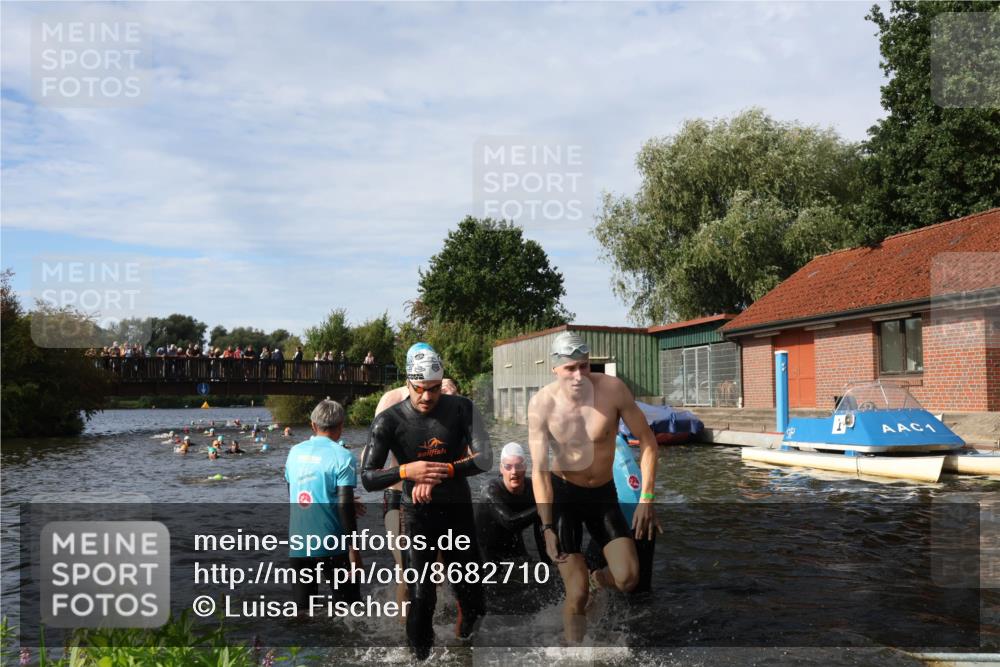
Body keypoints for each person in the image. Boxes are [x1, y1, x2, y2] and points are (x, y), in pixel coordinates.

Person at [528, 331, 660, 644]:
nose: (579, 375)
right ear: (555, 369)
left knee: (628, 578)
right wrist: (547, 527)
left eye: (584, 366)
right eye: (570, 368)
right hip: (565, 496)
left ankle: (597, 577)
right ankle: (575, 654)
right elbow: (539, 471)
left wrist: (646, 498)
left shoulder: (612, 390)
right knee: (576, 594)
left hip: (603, 493)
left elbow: (649, 443)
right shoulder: (542, 404)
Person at [362, 346, 492, 660]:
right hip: (417, 515)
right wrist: (408, 471)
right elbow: (368, 477)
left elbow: (485, 458)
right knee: (421, 597)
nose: (426, 397)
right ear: (408, 383)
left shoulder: (461, 408)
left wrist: (441, 472)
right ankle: (419, 660)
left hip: (457, 510)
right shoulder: (388, 420)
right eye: (419, 389)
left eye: (434, 389)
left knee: (473, 598)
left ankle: (463, 653)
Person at [284, 399, 361, 613]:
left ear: (313, 425)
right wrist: (354, 550)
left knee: (303, 611)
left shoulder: (294, 452)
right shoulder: (343, 456)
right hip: (332, 544)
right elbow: (344, 506)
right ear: (341, 426)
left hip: (299, 543)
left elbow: (295, 494)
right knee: (350, 609)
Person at [475, 442, 547, 563]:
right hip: (487, 551)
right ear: (501, 469)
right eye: (508, 467)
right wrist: (542, 508)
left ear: (525, 467)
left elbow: (541, 528)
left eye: (518, 466)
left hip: (515, 547)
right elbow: (510, 522)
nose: (514, 472)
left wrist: (547, 562)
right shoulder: (491, 491)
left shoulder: (532, 488)